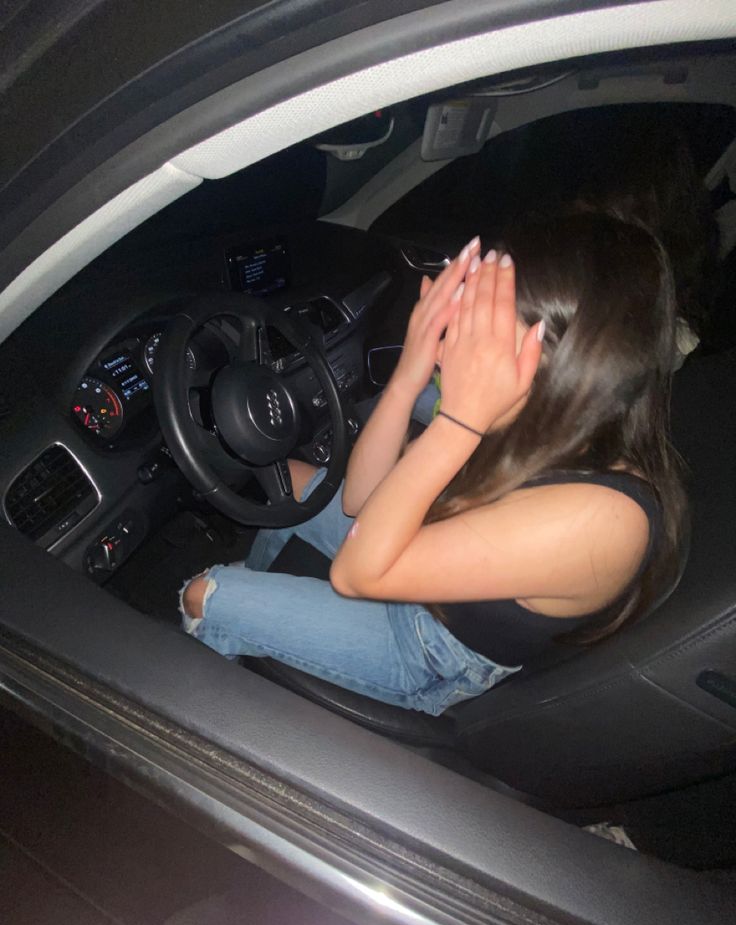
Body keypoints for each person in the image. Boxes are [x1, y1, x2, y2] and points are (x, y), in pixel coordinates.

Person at [180, 213, 687, 716]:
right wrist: (409, 372)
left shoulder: (602, 520)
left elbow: (357, 575)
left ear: (559, 361)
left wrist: (459, 421)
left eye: (482, 321)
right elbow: (360, 500)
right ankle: (267, 605)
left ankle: (221, 710)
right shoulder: (533, 416)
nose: (454, 333)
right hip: (408, 562)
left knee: (204, 595)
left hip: (428, 650)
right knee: (289, 483)